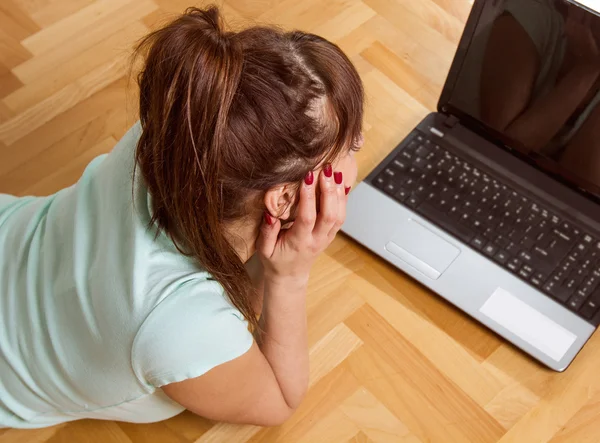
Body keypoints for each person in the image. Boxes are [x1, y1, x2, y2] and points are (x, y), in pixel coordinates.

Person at [0, 6, 364, 429]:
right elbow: (280, 401)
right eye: (351, 146)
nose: (359, 148)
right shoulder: (178, 326)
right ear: (283, 199)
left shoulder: (187, 126)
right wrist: (289, 275)